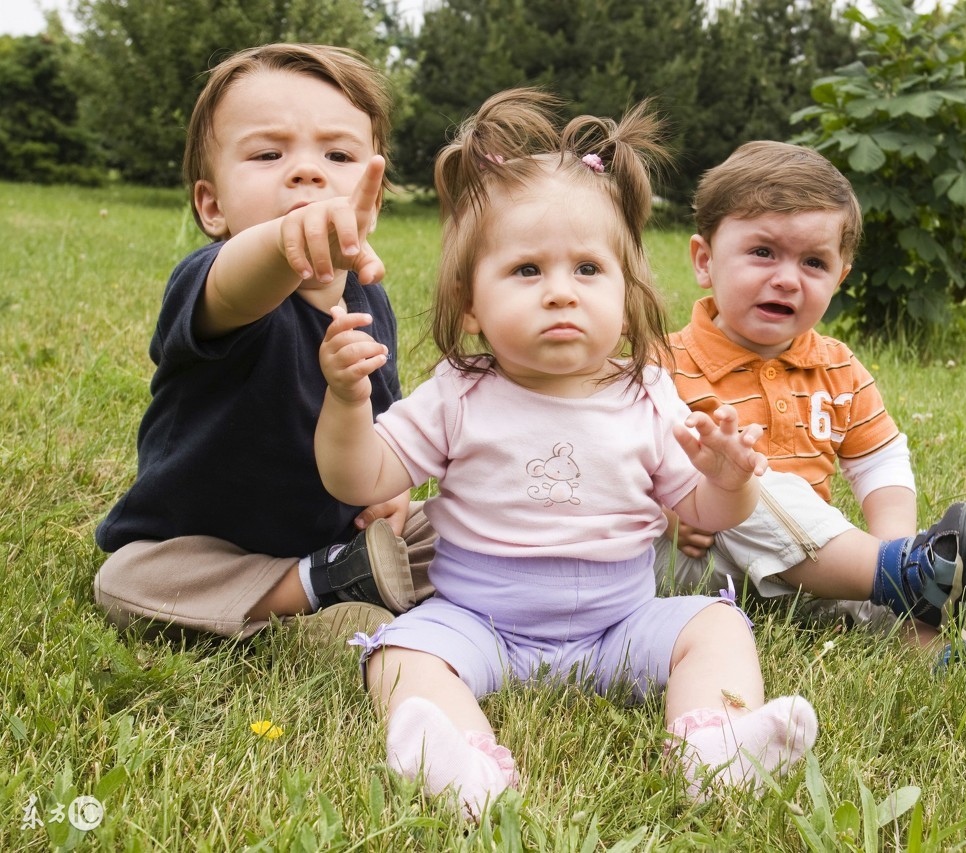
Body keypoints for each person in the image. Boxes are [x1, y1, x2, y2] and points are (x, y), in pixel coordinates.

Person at [314, 90, 824, 818]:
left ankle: (715, 747)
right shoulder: (458, 392)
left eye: (587, 269)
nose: (560, 293)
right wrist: (345, 400)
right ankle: (456, 761)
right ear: (469, 304)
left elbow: (699, 512)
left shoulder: (648, 394)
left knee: (716, 624)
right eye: (527, 271)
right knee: (400, 651)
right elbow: (357, 475)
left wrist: (728, 482)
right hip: (478, 621)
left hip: (620, 627)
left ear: (627, 292)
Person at [655, 140, 966, 693]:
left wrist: (890, 548)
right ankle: (902, 576)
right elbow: (613, 464)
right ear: (704, 260)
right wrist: (670, 513)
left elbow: (880, 464)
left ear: (841, 276)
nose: (788, 278)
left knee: (885, 602)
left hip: (812, 571)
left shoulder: (838, 369)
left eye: (814, 262)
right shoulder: (659, 363)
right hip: (695, 566)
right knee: (748, 479)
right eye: (763, 252)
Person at [93, 44, 434, 641]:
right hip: (203, 545)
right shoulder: (215, 282)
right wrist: (284, 243)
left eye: (338, 154)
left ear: (373, 198)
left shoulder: (369, 299)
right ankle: (316, 592)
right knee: (127, 580)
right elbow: (243, 283)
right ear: (212, 205)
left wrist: (394, 490)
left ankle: (356, 580)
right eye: (268, 154)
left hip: (335, 531)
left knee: (467, 522)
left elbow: (384, 420)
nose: (306, 172)